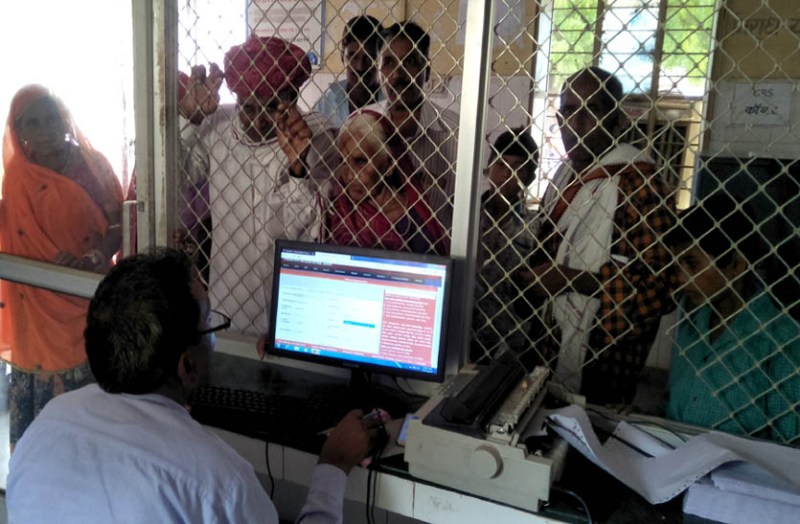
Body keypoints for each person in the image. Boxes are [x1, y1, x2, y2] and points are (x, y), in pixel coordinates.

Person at [7, 248, 380, 522]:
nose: (213, 337)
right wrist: (333, 466)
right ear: (186, 366)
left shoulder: (44, 428)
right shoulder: (219, 481)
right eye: (210, 322)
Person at [518, 67, 675, 404]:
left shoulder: (639, 181)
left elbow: (657, 289)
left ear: (616, 122)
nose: (577, 124)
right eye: (569, 110)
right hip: (548, 345)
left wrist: (573, 280)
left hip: (606, 359)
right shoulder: (564, 175)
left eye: (592, 110)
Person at [179, 35, 339, 336]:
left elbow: (306, 233)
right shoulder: (218, 124)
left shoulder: (315, 134)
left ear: (292, 98)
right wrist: (189, 117)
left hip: (291, 306)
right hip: (227, 306)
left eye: (270, 108)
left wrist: (298, 169)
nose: (257, 121)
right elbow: (176, 178)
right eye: (248, 107)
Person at [0, 85, 123, 447]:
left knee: (86, 424)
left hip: (84, 298)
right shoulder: (18, 177)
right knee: (38, 437)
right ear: (19, 132)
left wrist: (94, 257)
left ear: (65, 119)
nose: (46, 129)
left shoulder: (92, 165)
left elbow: (119, 224)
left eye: (51, 118)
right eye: (33, 123)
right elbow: (16, 230)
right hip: (34, 311)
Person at [665, 193, 800, 444]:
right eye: (677, 265)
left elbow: (791, 452)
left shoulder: (782, 344)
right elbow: (674, 411)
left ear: (737, 264)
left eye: (692, 263)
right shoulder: (692, 328)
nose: (681, 278)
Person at [365, 21, 459, 230]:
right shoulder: (361, 123)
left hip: (434, 246)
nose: (397, 75)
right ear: (378, 71)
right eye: (388, 62)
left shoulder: (457, 133)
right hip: (371, 244)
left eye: (410, 62)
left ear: (426, 70)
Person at [326, 109, 446, 254]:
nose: (349, 175)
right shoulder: (334, 209)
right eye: (343, 161)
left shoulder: (418, 219)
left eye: (360, 161)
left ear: (389, 164)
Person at [471, 128, 539, 361]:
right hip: (463, 333)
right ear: (488, 167)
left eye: (518, 167)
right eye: (500, 164)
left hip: (511, 343)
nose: (507, 174)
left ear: (530, 177)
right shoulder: (462, 216)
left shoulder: (535, 227)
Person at [313, 15, 384, 128]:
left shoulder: (392, 102)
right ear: (343, 58)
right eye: (353, 56)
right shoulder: (326, 104)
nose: (360, 67)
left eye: (369, 57)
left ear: (380, 60)